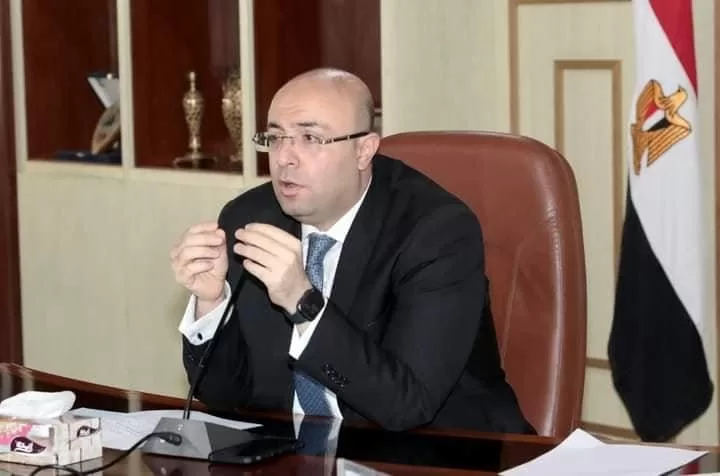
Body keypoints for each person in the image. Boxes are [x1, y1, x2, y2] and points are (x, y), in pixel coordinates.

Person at [171, 67, 533, 434]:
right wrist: (212, 305)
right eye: (276, 138)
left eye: (310, 138)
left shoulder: (436, 232)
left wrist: (303, 303)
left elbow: (409, 404)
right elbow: (226, 397)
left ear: (363, 150)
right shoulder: (249, 218)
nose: (284, 158)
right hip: (295, 450)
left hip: (441, 450)